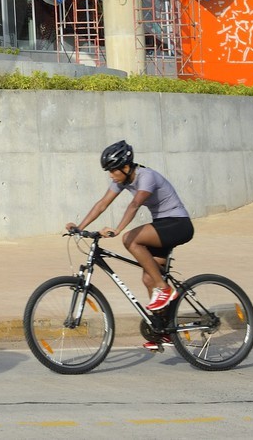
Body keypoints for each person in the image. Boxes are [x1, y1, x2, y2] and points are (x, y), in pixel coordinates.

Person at [67, 139, 193, 351]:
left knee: (130, 239)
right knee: (148, 276)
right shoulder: (121, 181)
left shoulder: (147, 177)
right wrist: (79, 227)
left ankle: (165, 289)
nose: (110, 175)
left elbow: (136, 204)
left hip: (178, 224)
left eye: (113, 170)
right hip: (162, 226)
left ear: (126, 167)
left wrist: (118, 229)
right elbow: (102, 204)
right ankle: (165, 330)